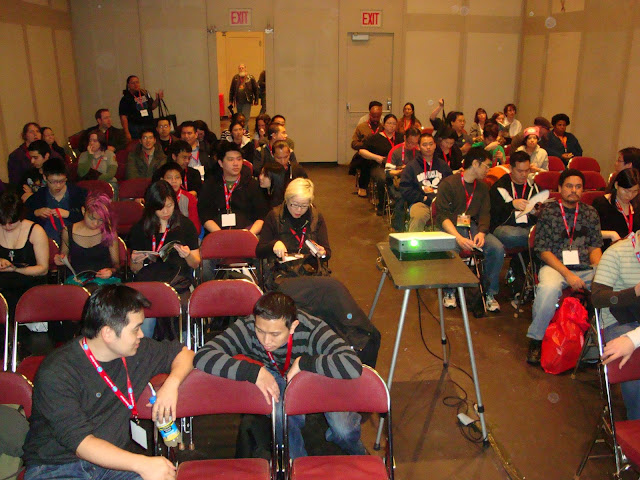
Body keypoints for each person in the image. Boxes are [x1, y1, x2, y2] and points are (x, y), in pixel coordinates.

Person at [22, 284, 194, 480]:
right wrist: (143, 464)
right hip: (57, 466)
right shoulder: (58, 371)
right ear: (108, 333)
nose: (142, 335)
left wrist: (171, 385)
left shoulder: (137, 351)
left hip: (114, 464)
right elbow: (81, 444)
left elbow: (185, 354)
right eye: (136, 328)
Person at [194, 291, 365, 459]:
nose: (266, 341)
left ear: (293, 327)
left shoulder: (312, 329)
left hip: (316, 373)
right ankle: (296, 464)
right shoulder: (247, 327)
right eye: (260, 331)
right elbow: (203, 355)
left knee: (343, 430)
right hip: (274, 373)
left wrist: (304, 363)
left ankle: (360, 457)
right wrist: (253, 372)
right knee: (282, 415)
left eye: (275, 334)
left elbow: (352, 364)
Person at [526, 169, 603, 364]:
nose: (573, 190)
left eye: (578, 187)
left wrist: (600, 270)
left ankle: (597, 343)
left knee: (607, 287)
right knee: (548, 289)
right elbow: (543, 251)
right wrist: (568, 274)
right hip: (555, 266)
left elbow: (595, 247)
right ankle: (536, 340)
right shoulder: (548, 212)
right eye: (569, 186)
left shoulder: (590, 213)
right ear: (560, 188)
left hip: (584, 267)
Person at [435, 147, 505, 312]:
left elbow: (485, 214)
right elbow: (442, 217)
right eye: (486, 166)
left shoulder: (482, 187)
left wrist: (481, 232)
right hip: (451, 227)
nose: (488, 170)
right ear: (475, 163)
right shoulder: (448, 184)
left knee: (497, 248)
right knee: (451, 247)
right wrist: (458, 238)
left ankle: (489, 293)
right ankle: (449, 290)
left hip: (472, 226)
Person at [129, 180, 200, 337]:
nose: (166, 211)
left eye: (169, 205)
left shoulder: (185, 225)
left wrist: (188, 255)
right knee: (143, 316)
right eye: (160, 208)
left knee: (176, 307)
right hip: (149, 282)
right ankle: (146, 354)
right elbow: (135, 270)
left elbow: (196, 263)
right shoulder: (140, 228)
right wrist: (136, 261)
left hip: (177, 282)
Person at [591, 230, 640, 420]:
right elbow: (597, 298)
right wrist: (634, 291)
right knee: (634, 365)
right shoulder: (617, 253)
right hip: (620, 321)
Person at [256, 178, 330, 286]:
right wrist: (273, 244)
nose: (298, 210)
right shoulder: (274, 216)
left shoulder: (316, 217)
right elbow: (259, 252)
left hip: (310, 271)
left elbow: (327, 253)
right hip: (282, 273)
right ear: (287, 200)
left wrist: (322, 253)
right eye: (294, 204)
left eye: (304, 206)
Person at [198, 142, 268, 236]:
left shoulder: (252, 184)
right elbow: (205, 215)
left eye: (239, 159)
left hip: (246, 233)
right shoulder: (211, 184)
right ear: (221, 163)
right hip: (217, 234)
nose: (236, 163)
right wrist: (220, 234)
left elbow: (262, 215)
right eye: (231, 160)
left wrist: (249, 234)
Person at [55, 193, 120, 286]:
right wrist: (60, 260)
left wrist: (110, 271)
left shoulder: (108, 231)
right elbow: (64, 257)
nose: (95, 223)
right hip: (77, 280)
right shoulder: (68, 231)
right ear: (83, 211)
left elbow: (116, 264)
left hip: (104, 281)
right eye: (92, 218)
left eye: (101, 220)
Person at [0, 192, 48, 318]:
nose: (7, 226)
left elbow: (43, 269)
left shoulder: (35, 231)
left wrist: (16, 269)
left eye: (12, 223)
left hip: (29, 284)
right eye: (3, 223)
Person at [25, 157, 87, 243]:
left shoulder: (78, 194)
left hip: (76, 240)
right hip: (47, 242)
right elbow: (24, 217)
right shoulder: (39, 196)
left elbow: (90, 218)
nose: (58, 186)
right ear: (45, 178)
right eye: (53, 182)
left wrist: (69, 214)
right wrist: (36, 213)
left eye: (62, 181)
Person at [400, 132, 452, 232]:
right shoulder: (411, 166)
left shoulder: (443, 165)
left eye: (431, 144)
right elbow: (405, 189)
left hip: (442, 202)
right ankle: (413, 244)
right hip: (421, 202)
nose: (428, 147)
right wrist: (423, 198)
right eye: (424, 145)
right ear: (418, 147)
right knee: (418, 217)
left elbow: (451, 184)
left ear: (435, 145)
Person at [490, 151, 540, 249]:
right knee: (512, 235)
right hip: (505, 227)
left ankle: (536, 239)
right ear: (510, 169)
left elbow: (538, 213)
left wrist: (536, 212)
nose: (524, 174)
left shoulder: (533, 186)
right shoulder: (500, 186)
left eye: (527, 170)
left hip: (528, 226)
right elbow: (493, 214)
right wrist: (511, 205)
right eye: (520, 171)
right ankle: (538, 238)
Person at [358, 114, 403, 215]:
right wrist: (376, 157)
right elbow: (361, 151)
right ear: (384, 124)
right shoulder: (375, 138)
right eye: (389, 123)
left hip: (397, 165)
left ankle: (399, 203)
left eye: (394, 124)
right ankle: (382, 204)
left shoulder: (400, 137)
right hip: (380, 165)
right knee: (382, 178)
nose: (391, 126)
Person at [593, 168, 640, 249]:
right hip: (608, 250)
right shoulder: (601, 203)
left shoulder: (637, 204)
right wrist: (611, 234)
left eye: (635, 191)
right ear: (616, 185)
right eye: (626, 191)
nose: (630, 195)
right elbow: (590, 232)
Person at [386, 127, 421, 231]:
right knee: (401, 197)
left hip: (414, 182)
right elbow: (388, 172)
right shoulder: (395, 151)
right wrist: (401, 171)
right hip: (397, 181)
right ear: (405, 138)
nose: (412, 146)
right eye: (410, 142)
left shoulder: (419, 151)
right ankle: (398, 228)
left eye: (415, 143)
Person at [156, 162, 201, 233]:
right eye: (169, 178)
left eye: (177, 177)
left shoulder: (189, 198)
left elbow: (195, 228)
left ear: (181, 180)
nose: (174, 181)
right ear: (162, 180)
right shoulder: (156, 198)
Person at [350, 101, 383, 197]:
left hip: (378, 154)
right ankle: (363, 186)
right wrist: (365, 144)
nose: (375, 119)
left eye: (378, 117)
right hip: (364, 155)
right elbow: (353, 143)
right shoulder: (362, 127)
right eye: (373, 116)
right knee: (366, 160)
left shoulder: (383, 128)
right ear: (370, 115)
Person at [118, 75, 163, 142]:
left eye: (137, 82)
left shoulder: (145, 93)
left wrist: (157, 99)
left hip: (149, 125)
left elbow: (152, 106)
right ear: (128, 85)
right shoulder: (125, 99)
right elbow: (123, 117)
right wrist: (127, 132)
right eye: (133, 83)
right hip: (135, 128)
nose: (136, 84)